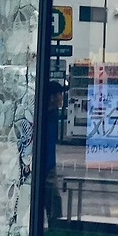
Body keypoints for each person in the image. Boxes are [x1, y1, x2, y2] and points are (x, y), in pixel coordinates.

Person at [43, 81, 64, 225]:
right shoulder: (42, 114)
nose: (61, 98)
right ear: (51, 97)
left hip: (50, 164)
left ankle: (56, 225)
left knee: (54, 199)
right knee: (53, 197)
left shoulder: (54, 113)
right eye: (59, 94)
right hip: (42, 164)